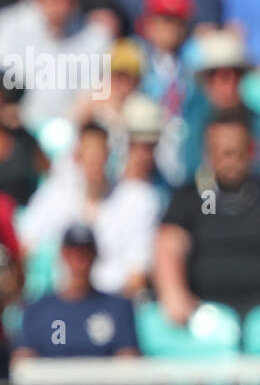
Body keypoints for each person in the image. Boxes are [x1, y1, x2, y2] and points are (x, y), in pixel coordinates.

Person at [155, 107, 260, 324]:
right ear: (208, 154)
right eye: (221, 153)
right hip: (204, 319)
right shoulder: (190, 198)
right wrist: (174, 292)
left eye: (236, 152)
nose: (229, 161)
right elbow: (169, 244)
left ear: (251, 150)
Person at [14, 223, 139, 359]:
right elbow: (24, 362)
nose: (79, 259)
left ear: (95, 255)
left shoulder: (118, 308)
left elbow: (128, 360)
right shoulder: (38, 311)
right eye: (73, 252)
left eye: (85, 252)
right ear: (63, 254)